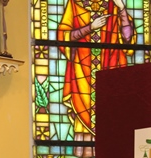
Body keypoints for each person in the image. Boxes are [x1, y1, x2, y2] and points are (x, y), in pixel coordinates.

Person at [57, 0, 136, 143]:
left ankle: (113, 150)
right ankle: (85, 151)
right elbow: (63, 36)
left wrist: (122, 8)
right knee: (82, 109)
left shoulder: (114, 5)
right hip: (81, 69)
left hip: (111, 67)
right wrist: (90, 27)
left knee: (112, 114)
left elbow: (127, 39)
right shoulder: (74, 4)